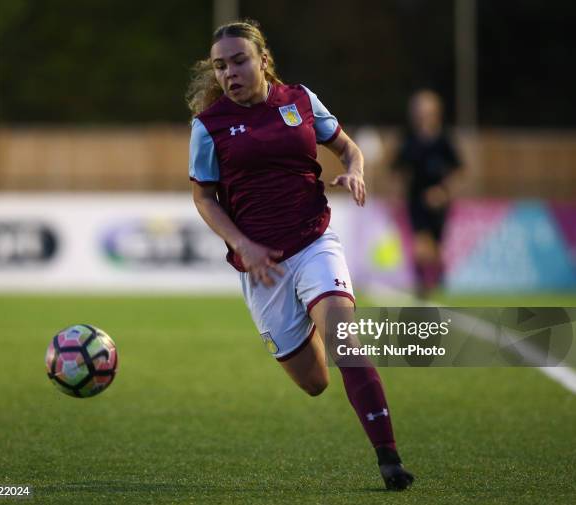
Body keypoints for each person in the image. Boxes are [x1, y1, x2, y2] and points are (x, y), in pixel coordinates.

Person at [186, 20, 414, 491]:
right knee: (314, 382)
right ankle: (313, 314)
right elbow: (204, 198)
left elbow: (348, 148)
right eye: (221, 65)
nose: (230, 72)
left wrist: (355, 171)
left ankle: (389, 459)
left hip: (314, 241)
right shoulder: (208, 127)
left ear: (262, 60)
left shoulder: (300, 101)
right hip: (262, 268)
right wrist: (242, 245)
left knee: (345, 343)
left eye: (239, 60)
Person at [391, 90, 463, 296]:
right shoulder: (409, 140)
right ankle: (422, 285)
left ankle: (439, 279)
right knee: (420, 247)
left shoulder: (444, 140)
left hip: (439, 203)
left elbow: (458, 170)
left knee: (435, 248)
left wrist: (443, 191)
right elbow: (397, 169)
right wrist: (397, 193)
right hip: (415, 201)